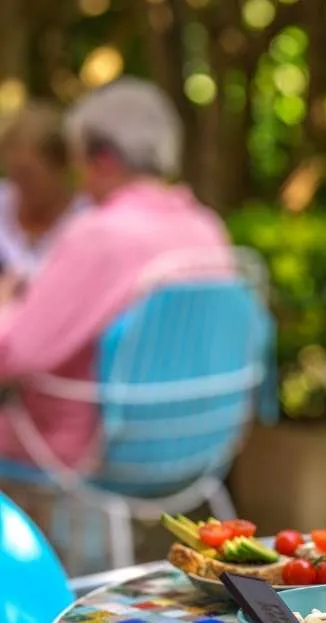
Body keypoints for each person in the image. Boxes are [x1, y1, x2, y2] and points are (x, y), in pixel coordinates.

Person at [0, 77, 230, 474]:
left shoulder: (100, 234)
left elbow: (14, 354)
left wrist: (7, 302)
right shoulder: (207, 228)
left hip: (88, 448)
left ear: (103, 158)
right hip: (201, 445)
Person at [0, 101, 83, 285]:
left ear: (60, 167)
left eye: (28, 174)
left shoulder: (86, 221)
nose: (19, 185)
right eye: (14, 172)